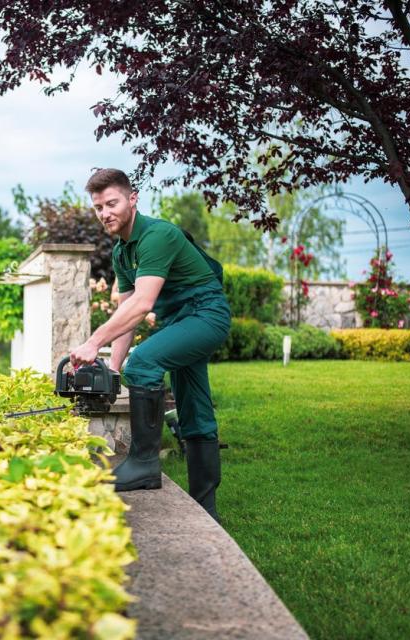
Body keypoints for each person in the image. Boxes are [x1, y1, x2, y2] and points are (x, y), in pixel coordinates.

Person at [69, 168, 231, 522]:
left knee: (143, 363)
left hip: (206, 314)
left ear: (132, 199)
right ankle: (206, 509)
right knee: (194, 411)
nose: (105, 213)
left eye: (111, 203)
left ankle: (144, 464)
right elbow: (128, 311)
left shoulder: (156, 236)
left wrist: (95, 342)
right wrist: (111, 369)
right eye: (98, 207)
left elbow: (143, 304)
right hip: (180, 322)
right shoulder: (122, 253)